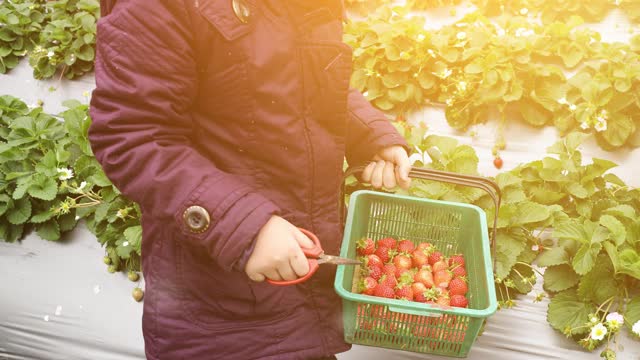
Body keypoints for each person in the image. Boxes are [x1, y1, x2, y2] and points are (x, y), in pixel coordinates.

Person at [88, 0, 411, 359]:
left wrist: (371, 135)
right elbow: (134, 137)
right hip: (220, 306)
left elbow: (307, 85)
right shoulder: (159, 7)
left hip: (298, 284)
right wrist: (246, 227)